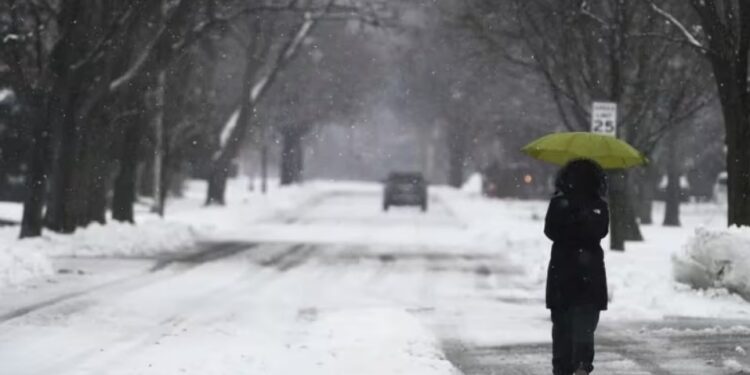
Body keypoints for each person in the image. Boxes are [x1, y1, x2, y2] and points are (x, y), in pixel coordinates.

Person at [544, 159, 609, 375]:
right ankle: (582, 364)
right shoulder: (599, 206)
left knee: (562, 326)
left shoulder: (559, 203)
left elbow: (551, 232)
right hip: (589, 273)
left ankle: (561, 367)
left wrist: (570, 217)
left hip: (562, 271)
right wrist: (583, 220)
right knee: (585, 325)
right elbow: (599, 232)